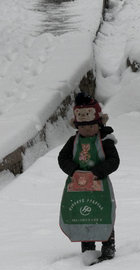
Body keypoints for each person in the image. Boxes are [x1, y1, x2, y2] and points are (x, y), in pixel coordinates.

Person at [58, 93, 120, 261]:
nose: (87, 129)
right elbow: (62, 159)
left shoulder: (106, 140)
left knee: (103, 213)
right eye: (83, 127)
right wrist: (73, 171)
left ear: (99, 123)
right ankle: (87, 247)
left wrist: (97, 172)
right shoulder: (73, 141)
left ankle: (108, 245)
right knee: (82, 214)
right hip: (77, 185)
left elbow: (114, 161)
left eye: (91, 126)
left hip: (99, 185)